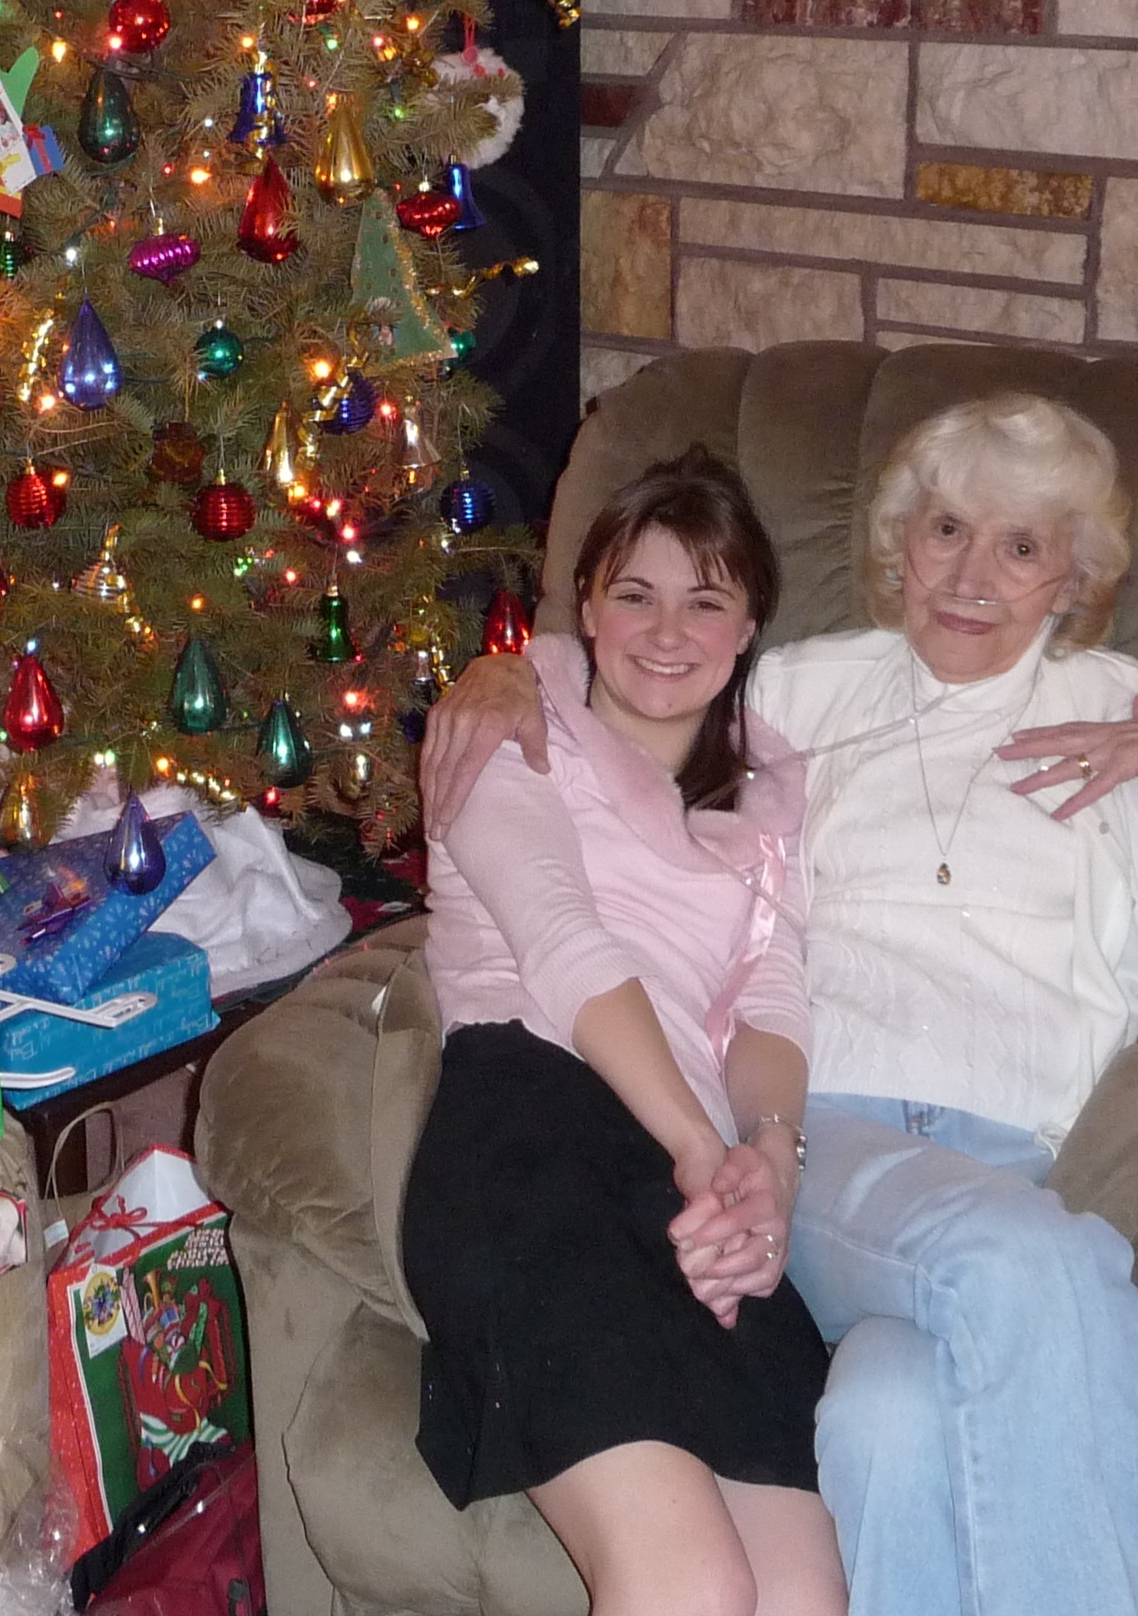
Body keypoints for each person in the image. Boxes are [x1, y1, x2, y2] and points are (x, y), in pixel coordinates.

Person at [421, 394, 1138, 1616]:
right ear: (897, 545)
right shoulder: (802, 700)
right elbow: (634, 670)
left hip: (1006, 1164)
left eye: (1020, 547)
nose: (971, 576)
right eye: (947, 530)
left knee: (885, 1412)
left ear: (1072, 574)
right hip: (825, 1152)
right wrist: (500, 668)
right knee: (1036, 1263)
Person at [403, 447, 847, 1616]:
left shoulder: (767, 796)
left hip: (685, 1165)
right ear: (586, 603)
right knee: (686, 1583)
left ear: (748, 624)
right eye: (634, 592)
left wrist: (767, 1168)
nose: (666, 629)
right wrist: (702, 1151)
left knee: (802, 1594)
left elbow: (774, 1003)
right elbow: (564, 948)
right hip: (532, 1131)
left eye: (705, 599)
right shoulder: (505, 728)